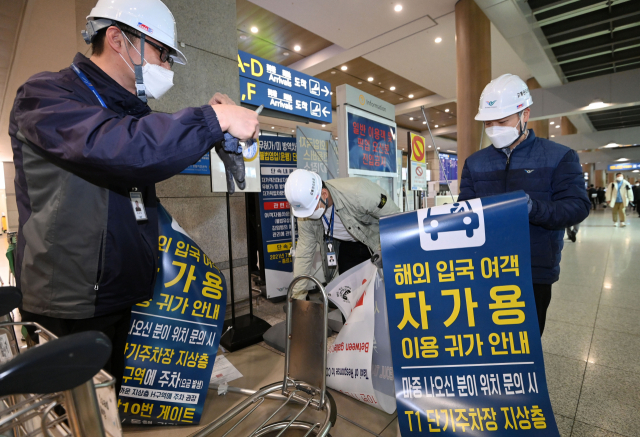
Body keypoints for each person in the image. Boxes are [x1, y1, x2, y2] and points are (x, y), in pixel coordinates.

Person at [9, 0, 260, 393]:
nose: (167, 69)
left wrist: (209, 127)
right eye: (163, 54)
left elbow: (150, 146)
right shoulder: (46, 95)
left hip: (121, 292)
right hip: (69, 301)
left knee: (111, 410)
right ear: (118, 39)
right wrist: (213, 120)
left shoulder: (129, 113)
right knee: (75, 418)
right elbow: (120, 147)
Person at [458, 74, 590, 337]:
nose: (494, 127)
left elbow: (577, 206)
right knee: (484, 338)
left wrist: (532, 208)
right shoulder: (475, 162)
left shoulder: (559, 156)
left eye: (502, 121)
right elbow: (464, 208)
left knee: (524, 343)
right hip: (484, 268)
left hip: (534, 270)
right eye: (488, 122)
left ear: (524, 114)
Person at [284, 169, 399, 300]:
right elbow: (304, 253)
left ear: (324, 194)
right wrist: (298, 295)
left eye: (312, 208)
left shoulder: (359, 192)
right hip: (347, 248)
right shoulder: (305, 214)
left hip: (375, 244)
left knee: (381, 297)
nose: (309, 214)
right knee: (349, 299)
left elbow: (394, 219)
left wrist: (383, 248)